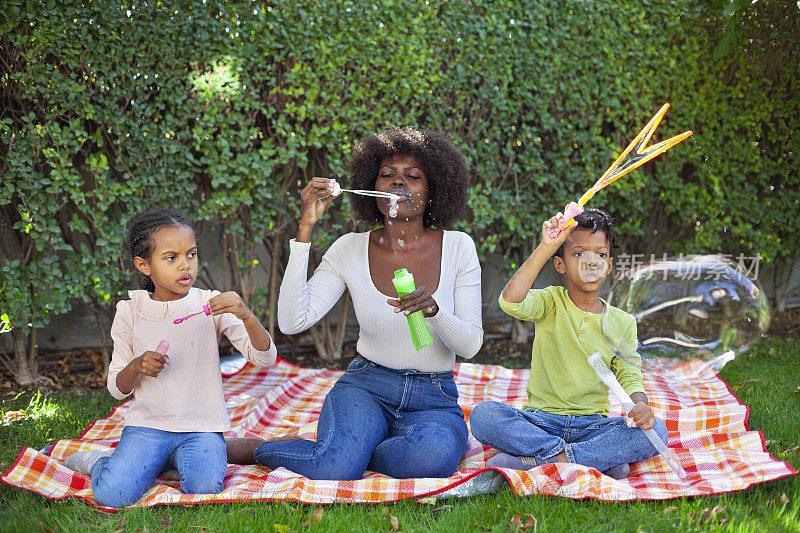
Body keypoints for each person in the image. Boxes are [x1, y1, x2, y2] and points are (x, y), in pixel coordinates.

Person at [226, 127, 483, 480]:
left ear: (433, 189)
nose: (398, 184)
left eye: (413, 176)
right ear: (372, 187)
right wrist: (305, 230)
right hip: (367, 386)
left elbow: (470, 346)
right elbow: (291, 321)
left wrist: (434, 311)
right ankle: (263, 449)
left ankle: (352, 451)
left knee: (433, 457)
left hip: (433, 396)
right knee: (336, 466)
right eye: (387, 176)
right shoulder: (349, 248)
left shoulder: (459, 247)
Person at [62, 208, 277, 508]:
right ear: (143, 264)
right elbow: (116, 387)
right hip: (149, 427)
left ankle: (179, 457)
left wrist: (247, 315)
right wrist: (136, 366)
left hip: (200, 427)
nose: (185, 265)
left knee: (204, 487)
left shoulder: (210, 305)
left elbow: (264, 358)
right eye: (171, 258)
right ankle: (100, 460)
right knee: (112, 494)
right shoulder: (130, 311)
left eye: (191, 254)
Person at [469, 209, 668, 479]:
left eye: (599, 254)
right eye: (578, 254)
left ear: (609, 265)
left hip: (593, 425)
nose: (591, 263)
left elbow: (629, 374)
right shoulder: (550, 302)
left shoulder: (622, 322)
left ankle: (542, 460)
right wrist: (546, 245)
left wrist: (640, 403)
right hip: (541, 421)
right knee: (484, 416)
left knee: (657, 431)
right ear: (560, 264)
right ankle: (593, 459)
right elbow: (510, 302)